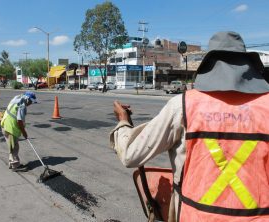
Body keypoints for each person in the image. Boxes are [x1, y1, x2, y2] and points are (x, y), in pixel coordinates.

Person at [110, 31, 269, 222]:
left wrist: (123, 120)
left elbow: (131, 155)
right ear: (248, 66)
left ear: (209, 66)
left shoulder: (184, 105)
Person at [1, 91, 37, 171]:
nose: (31, 103)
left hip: (5, 125)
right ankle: (15, 165)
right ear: (27, 99)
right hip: (10, 128)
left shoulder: (16, 99)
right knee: (14, 147)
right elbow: (19, 121)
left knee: (11, 147)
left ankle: (12, 163)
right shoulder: (22, 106)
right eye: (31, 101)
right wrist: (24, 132)